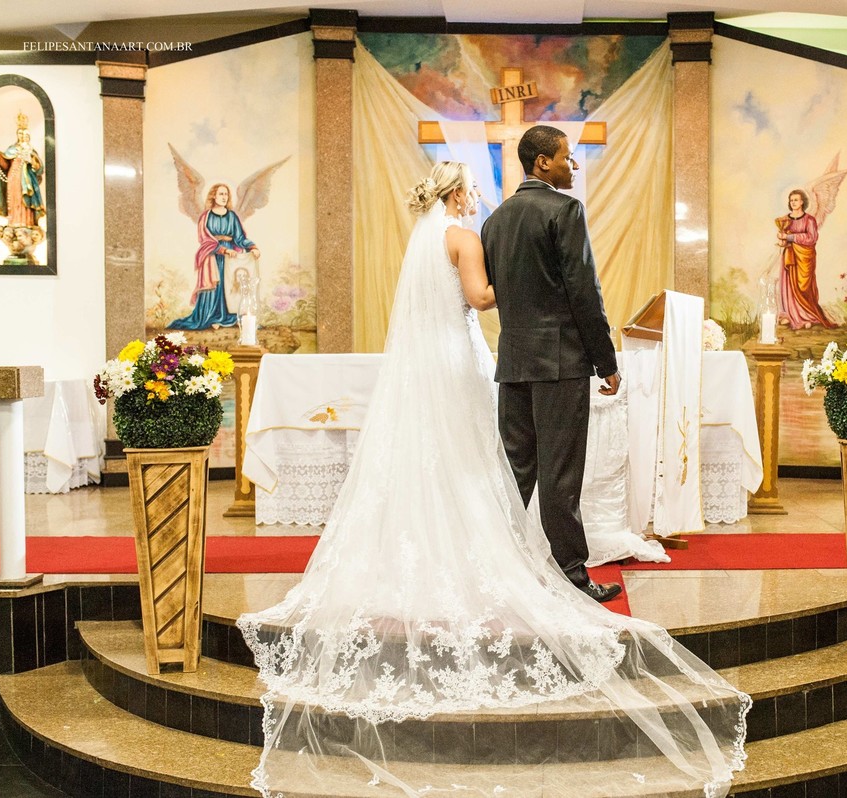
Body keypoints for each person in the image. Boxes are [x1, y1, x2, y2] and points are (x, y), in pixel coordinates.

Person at [237, 161, 749, 797]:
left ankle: (427, 548)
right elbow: (479, 298)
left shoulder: (427, 239)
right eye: (469, 188)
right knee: (484, 462)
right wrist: (533, 290)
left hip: (441, 365)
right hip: (466, 359)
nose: (476, 193)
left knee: (454, 462)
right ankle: (509, 554)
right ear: (456, 193)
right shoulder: (463, 234)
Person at [480, 125, 623, 603]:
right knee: (561, 474)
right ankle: (573, 578)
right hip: (560, 362)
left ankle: (492, 568)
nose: (573, 166)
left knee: (514, 473)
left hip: (514, 361)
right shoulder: (565, 210)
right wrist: (606, 362)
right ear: (543, 162)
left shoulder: (495, 220)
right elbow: (584, 292)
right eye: (567, 157)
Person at [168, 183, 259, 331]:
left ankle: (228, 318)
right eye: (221, 194)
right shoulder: (206, 216)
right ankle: (211, 317)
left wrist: (252, 247)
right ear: (213, 196)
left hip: (230, 256)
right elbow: (204, 238)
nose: (224, 197)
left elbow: (240, 237)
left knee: (228, 285)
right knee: (214, 286)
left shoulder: (232, 216)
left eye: (226, 194)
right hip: (212, 254)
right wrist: (221, 249)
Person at [776, 188, 836, 329]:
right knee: (788, 285)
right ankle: (790, 315)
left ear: (802, 202)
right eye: (791, 200)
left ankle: (806, 315)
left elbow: (811, 238)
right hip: (790, 256)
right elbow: (784, 237)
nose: (793, 202)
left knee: (804, 287)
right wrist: (782, 241)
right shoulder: (785, 219)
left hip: (805, 258)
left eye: (796, 200)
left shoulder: (809, 220)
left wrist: (789, 237)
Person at [0, 112, 45, 230]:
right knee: (15, 197)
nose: (22, 136)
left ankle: (27, 222)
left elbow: (39, 168)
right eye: (19, 133)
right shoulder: (12, 149)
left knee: (25, 198)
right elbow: (5, 164)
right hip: (13, 177)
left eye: (24, 134)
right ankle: (14, 221)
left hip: (27, 178)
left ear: (28, 136)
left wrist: (31, 161)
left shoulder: (30, 150)